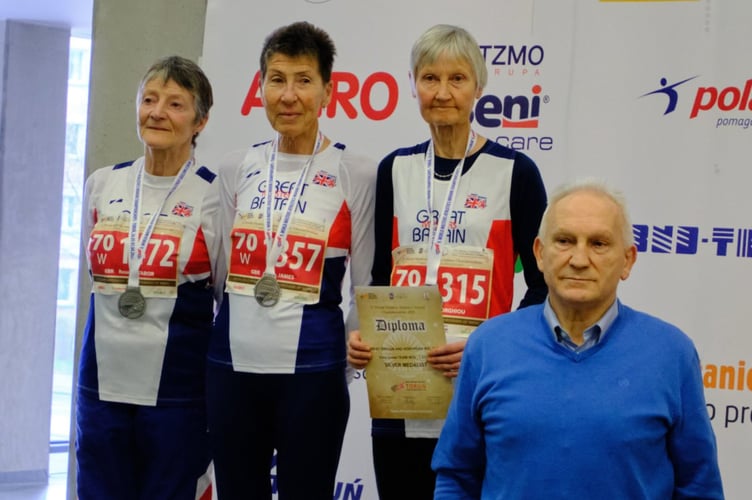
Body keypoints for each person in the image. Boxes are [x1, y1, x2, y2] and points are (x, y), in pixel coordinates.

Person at [347, 24, 547, 499]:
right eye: (430, 78)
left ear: (479, 87)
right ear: (413, 84)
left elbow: (542, 286)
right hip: (400, 384)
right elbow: (381, 278)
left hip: (480, 385)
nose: (442, 93)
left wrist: (488, 346)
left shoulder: (515, 173)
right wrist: (363, 335)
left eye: (457, 79)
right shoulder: (394, 168)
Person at [432, 179, 725, 499]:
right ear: (540, 255)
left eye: (598, 243)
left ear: (627, 260)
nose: (579, 259)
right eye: (564, 241)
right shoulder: (488, 346)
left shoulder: (672, 354)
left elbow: (699, 486)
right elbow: (456, 477)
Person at [206, 21, 376, 499]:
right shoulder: (235, 167)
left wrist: (338, 363)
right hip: (232, 370)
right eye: (277, 79)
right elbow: (220, 276)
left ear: (328, 91)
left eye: (304, 80)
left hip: (313, 374)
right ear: (260, 87)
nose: (289, 95)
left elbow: (363, 284)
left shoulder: (354, 172)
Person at [76, 56, 218, 499]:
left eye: (176, 103)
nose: (157, 112)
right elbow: (95, 272)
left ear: (201, 121)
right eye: (149, 99)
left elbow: (224, 292)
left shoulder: (215, 194)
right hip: (102, 379)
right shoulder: (103, 183)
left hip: (177, 388)